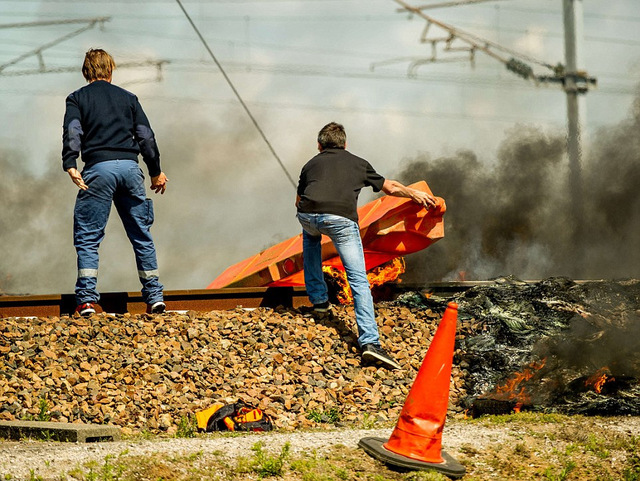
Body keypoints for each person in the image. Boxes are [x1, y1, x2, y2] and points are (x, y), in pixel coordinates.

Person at [296, 122, 436, 370]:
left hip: (308, 217)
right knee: (358, 278)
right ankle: (370, 343)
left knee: (311, 238)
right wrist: (414, 194)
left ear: (319, 145)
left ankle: (319, 303)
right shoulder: (358, 162)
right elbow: (390, 187)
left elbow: (298, 200)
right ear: (345, 144)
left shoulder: (310, 164)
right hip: (340, 221)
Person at [62, 48, 168, 317]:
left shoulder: (77, 98)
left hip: (98, 170)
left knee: (88, 237)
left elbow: (73, 130)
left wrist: (71, 163)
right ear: (110, 70)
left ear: (86, 71)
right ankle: (155, 297)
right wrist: (155, 170)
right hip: (131, 169)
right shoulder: (129, 98)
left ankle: (86, 300)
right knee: (141, 235)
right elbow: (146, 136)